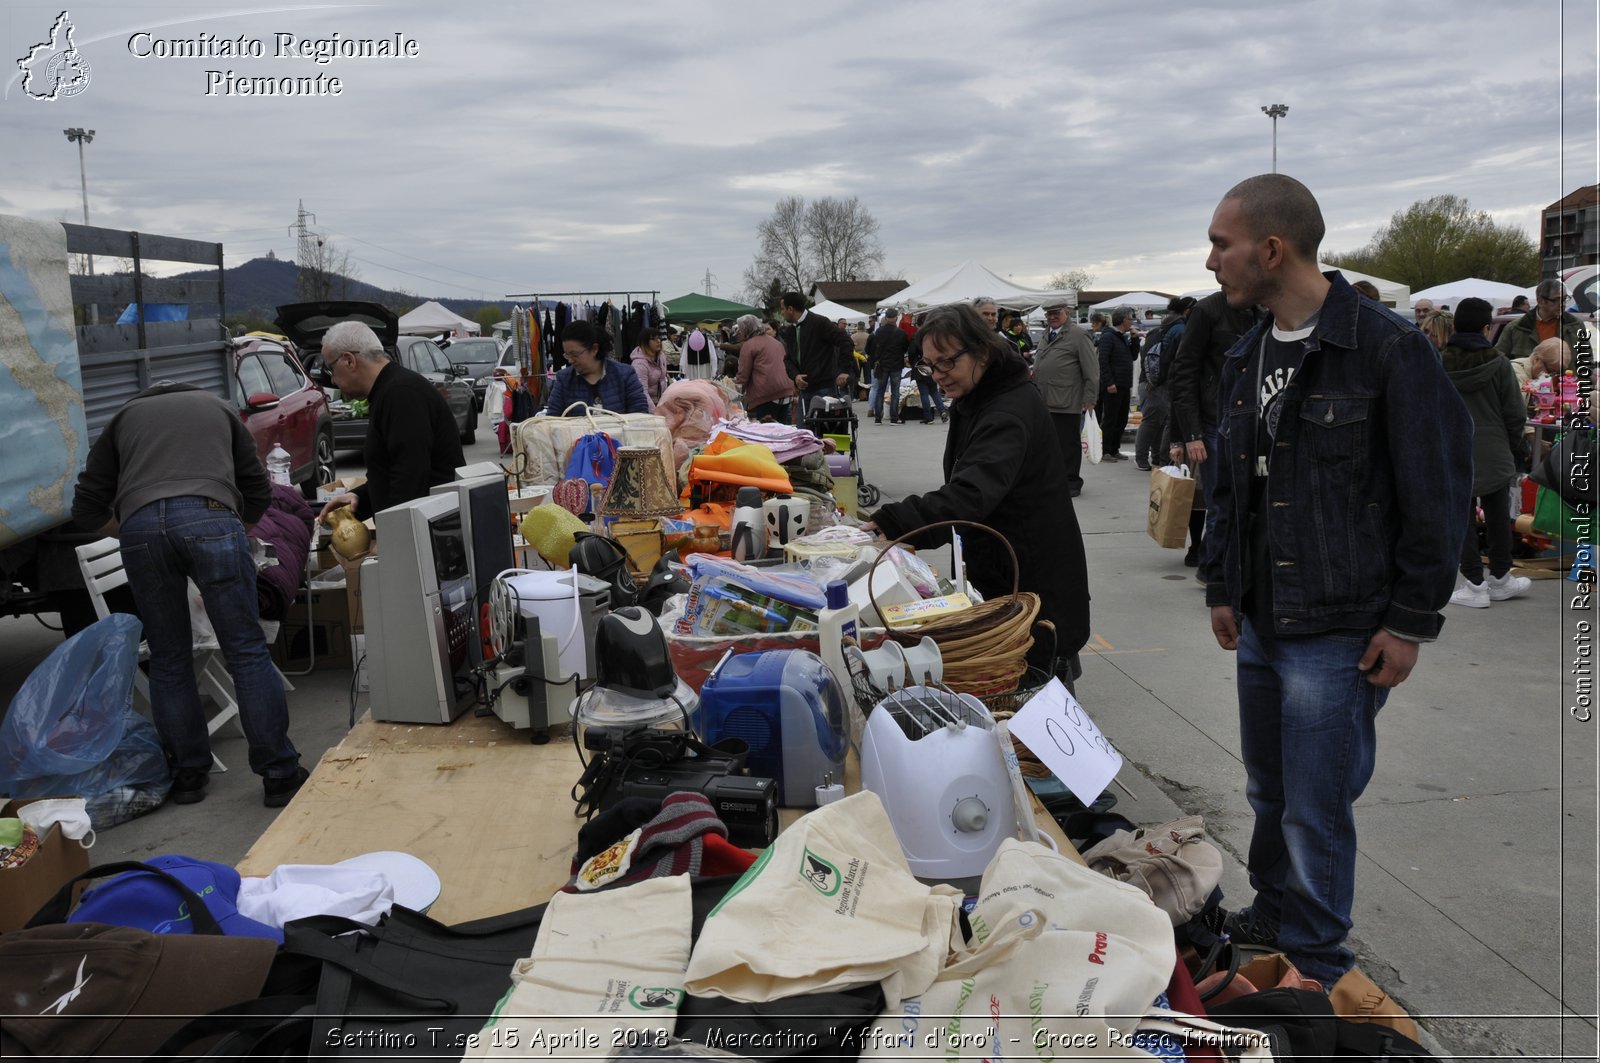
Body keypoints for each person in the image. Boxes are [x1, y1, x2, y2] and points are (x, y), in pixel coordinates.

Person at [1199, 173, 1473, 989]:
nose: (1211, 259)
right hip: (1263, 617)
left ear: (1271, 248)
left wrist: (1411, 619)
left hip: (1342, 626)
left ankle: (1314, 963)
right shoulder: (1246, 353)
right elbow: (1229, 486)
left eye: (1222, 242)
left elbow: (1440, 489)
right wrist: (1223, 582)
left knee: (1317, 805)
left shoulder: (1388, 348)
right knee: (1269, 789)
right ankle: (1277, 912)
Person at [72, 383, 308, 808]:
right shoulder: (218, 410)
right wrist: (243, 528)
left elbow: (86, 506)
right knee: (246, 650)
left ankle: (187, 776)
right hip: (213, 517)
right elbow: (257, 485)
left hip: (140, 529)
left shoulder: (122, 418)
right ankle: (279, 775)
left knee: (168, 656)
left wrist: (132, 528)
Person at [864, 303, 1090, 685]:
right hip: (1006, 569)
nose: (937, 376)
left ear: (981, 352)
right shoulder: (982, 395)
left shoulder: (1007, 409)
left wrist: (893, 522)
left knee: (1037, 692)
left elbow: (970, 494)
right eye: (929, 365)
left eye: (946, 363)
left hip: (1032, 579)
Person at [316, 320, 465, 524]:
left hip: (432, 535)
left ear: (349, 360)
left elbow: (411, 476)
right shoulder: (389, 391)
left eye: (330, 369)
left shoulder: (401, 394)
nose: (332, 380)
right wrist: (359, 497)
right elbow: (390, 473)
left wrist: (393, 535)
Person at [1440, 298, 1533, 608]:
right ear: (1485, 327)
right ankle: (1500, 578)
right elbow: (1515, 412)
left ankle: (1474, 584)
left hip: (1453, 448)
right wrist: (1517, 446)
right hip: (1494, 449)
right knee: (1497, 517)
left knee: (1461, 519)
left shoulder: (1438, 363)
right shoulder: (1500, 363)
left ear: (1454, 326)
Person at [1167, 291, 1259, 579]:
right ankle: (1213, 569)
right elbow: (1182, 373)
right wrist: (1189, 435)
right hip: (1213, 421)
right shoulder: (1208, 311)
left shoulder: (1264, 308)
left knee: (1247, 500)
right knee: (1221, 501)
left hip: (1250, 417)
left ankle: (1226, 564)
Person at [1032, 301, 1099, 496]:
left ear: (1066, 312)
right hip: (1045, 400)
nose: (1052, 317)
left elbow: (1092, 371)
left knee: (1067, 445)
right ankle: (1054, 479)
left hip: (1067, 400)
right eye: (1049, 314)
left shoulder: (1078, 335)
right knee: (1048, 444)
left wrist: (1090, 398)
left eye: (1056, 313)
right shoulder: (1047, 334)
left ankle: (1071, 482)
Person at [541, 320, 651, 418]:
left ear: (594, 349)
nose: (570, 360)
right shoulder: (563, 379)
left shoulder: (625, 374)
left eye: (575, 354)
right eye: (567, 355)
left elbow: (639, 414)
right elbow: (552, 419)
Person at [1133, 296, 1194, 471]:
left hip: (1148, 381)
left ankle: (1155, 457)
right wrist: (1158, 379)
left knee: (1156, 421)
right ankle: (1149, 459)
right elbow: (1173, 359)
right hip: (1160, 383)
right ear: (1187, 310)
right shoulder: (1181, 329)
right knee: (1156, 422)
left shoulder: (1161, 328)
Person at [777, 292, 855, 419]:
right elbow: (788, 359)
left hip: (824, 389)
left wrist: (844, 370)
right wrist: (795, 376)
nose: (782, 312)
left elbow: (846, 342)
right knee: (804, 435)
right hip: (805, 391)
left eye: (782, 309)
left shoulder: (820, 323)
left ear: (790, 309)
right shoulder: (790, 331)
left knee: (823, 434)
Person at [1496, 278, 1587, 359]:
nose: (1562, 304)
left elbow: (1586, 362)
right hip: (1527, 378)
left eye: (1564, 299)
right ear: (1540, 301)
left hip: (1568, 378)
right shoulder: (1515, 328)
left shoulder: (1576, 325)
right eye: (1556, 300)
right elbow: (1498, 363)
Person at [733, 313, 794, 422]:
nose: (740, 333)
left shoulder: (749, 345)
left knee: (766, 433)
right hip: (787, 391)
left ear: (746, 329)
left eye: (741, 329)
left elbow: (743, 375)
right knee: (782, 432)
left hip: (767, 394)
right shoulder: (776, 342)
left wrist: (734, 392)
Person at [1095, 306, 1137, 460]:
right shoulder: (1108, 336)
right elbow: (1103, 361)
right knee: (1110, 419)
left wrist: (1134, 339)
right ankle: (1105, 450)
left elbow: (1133, 356)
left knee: (1122, 418)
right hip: (1113, 385)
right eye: (1130, 319)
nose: (1132, 322)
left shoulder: (1122, 337)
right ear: (1124, 320)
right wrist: (1109, 382)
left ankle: (1114, 448)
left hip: (1124, 383)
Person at [866, 306, 911, 424]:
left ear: (886, 318)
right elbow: (905, 347)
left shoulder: (877, 332)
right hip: (896, 364)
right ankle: (894, 418)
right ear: (896, 318)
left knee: (880, 390)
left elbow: (870, 349)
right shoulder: (901, 333)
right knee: (895, 391)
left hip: (882, 365)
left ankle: (878, 418)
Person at [630, 330, 669, 411]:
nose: (658, 341)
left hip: (661, 401)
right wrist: (655, 412)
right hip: (646, 406)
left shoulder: (661, 356)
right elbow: (642, 391)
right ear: (644, 342)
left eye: (659, 338)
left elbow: (664, 379)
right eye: (653, 339)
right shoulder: (639, 364)